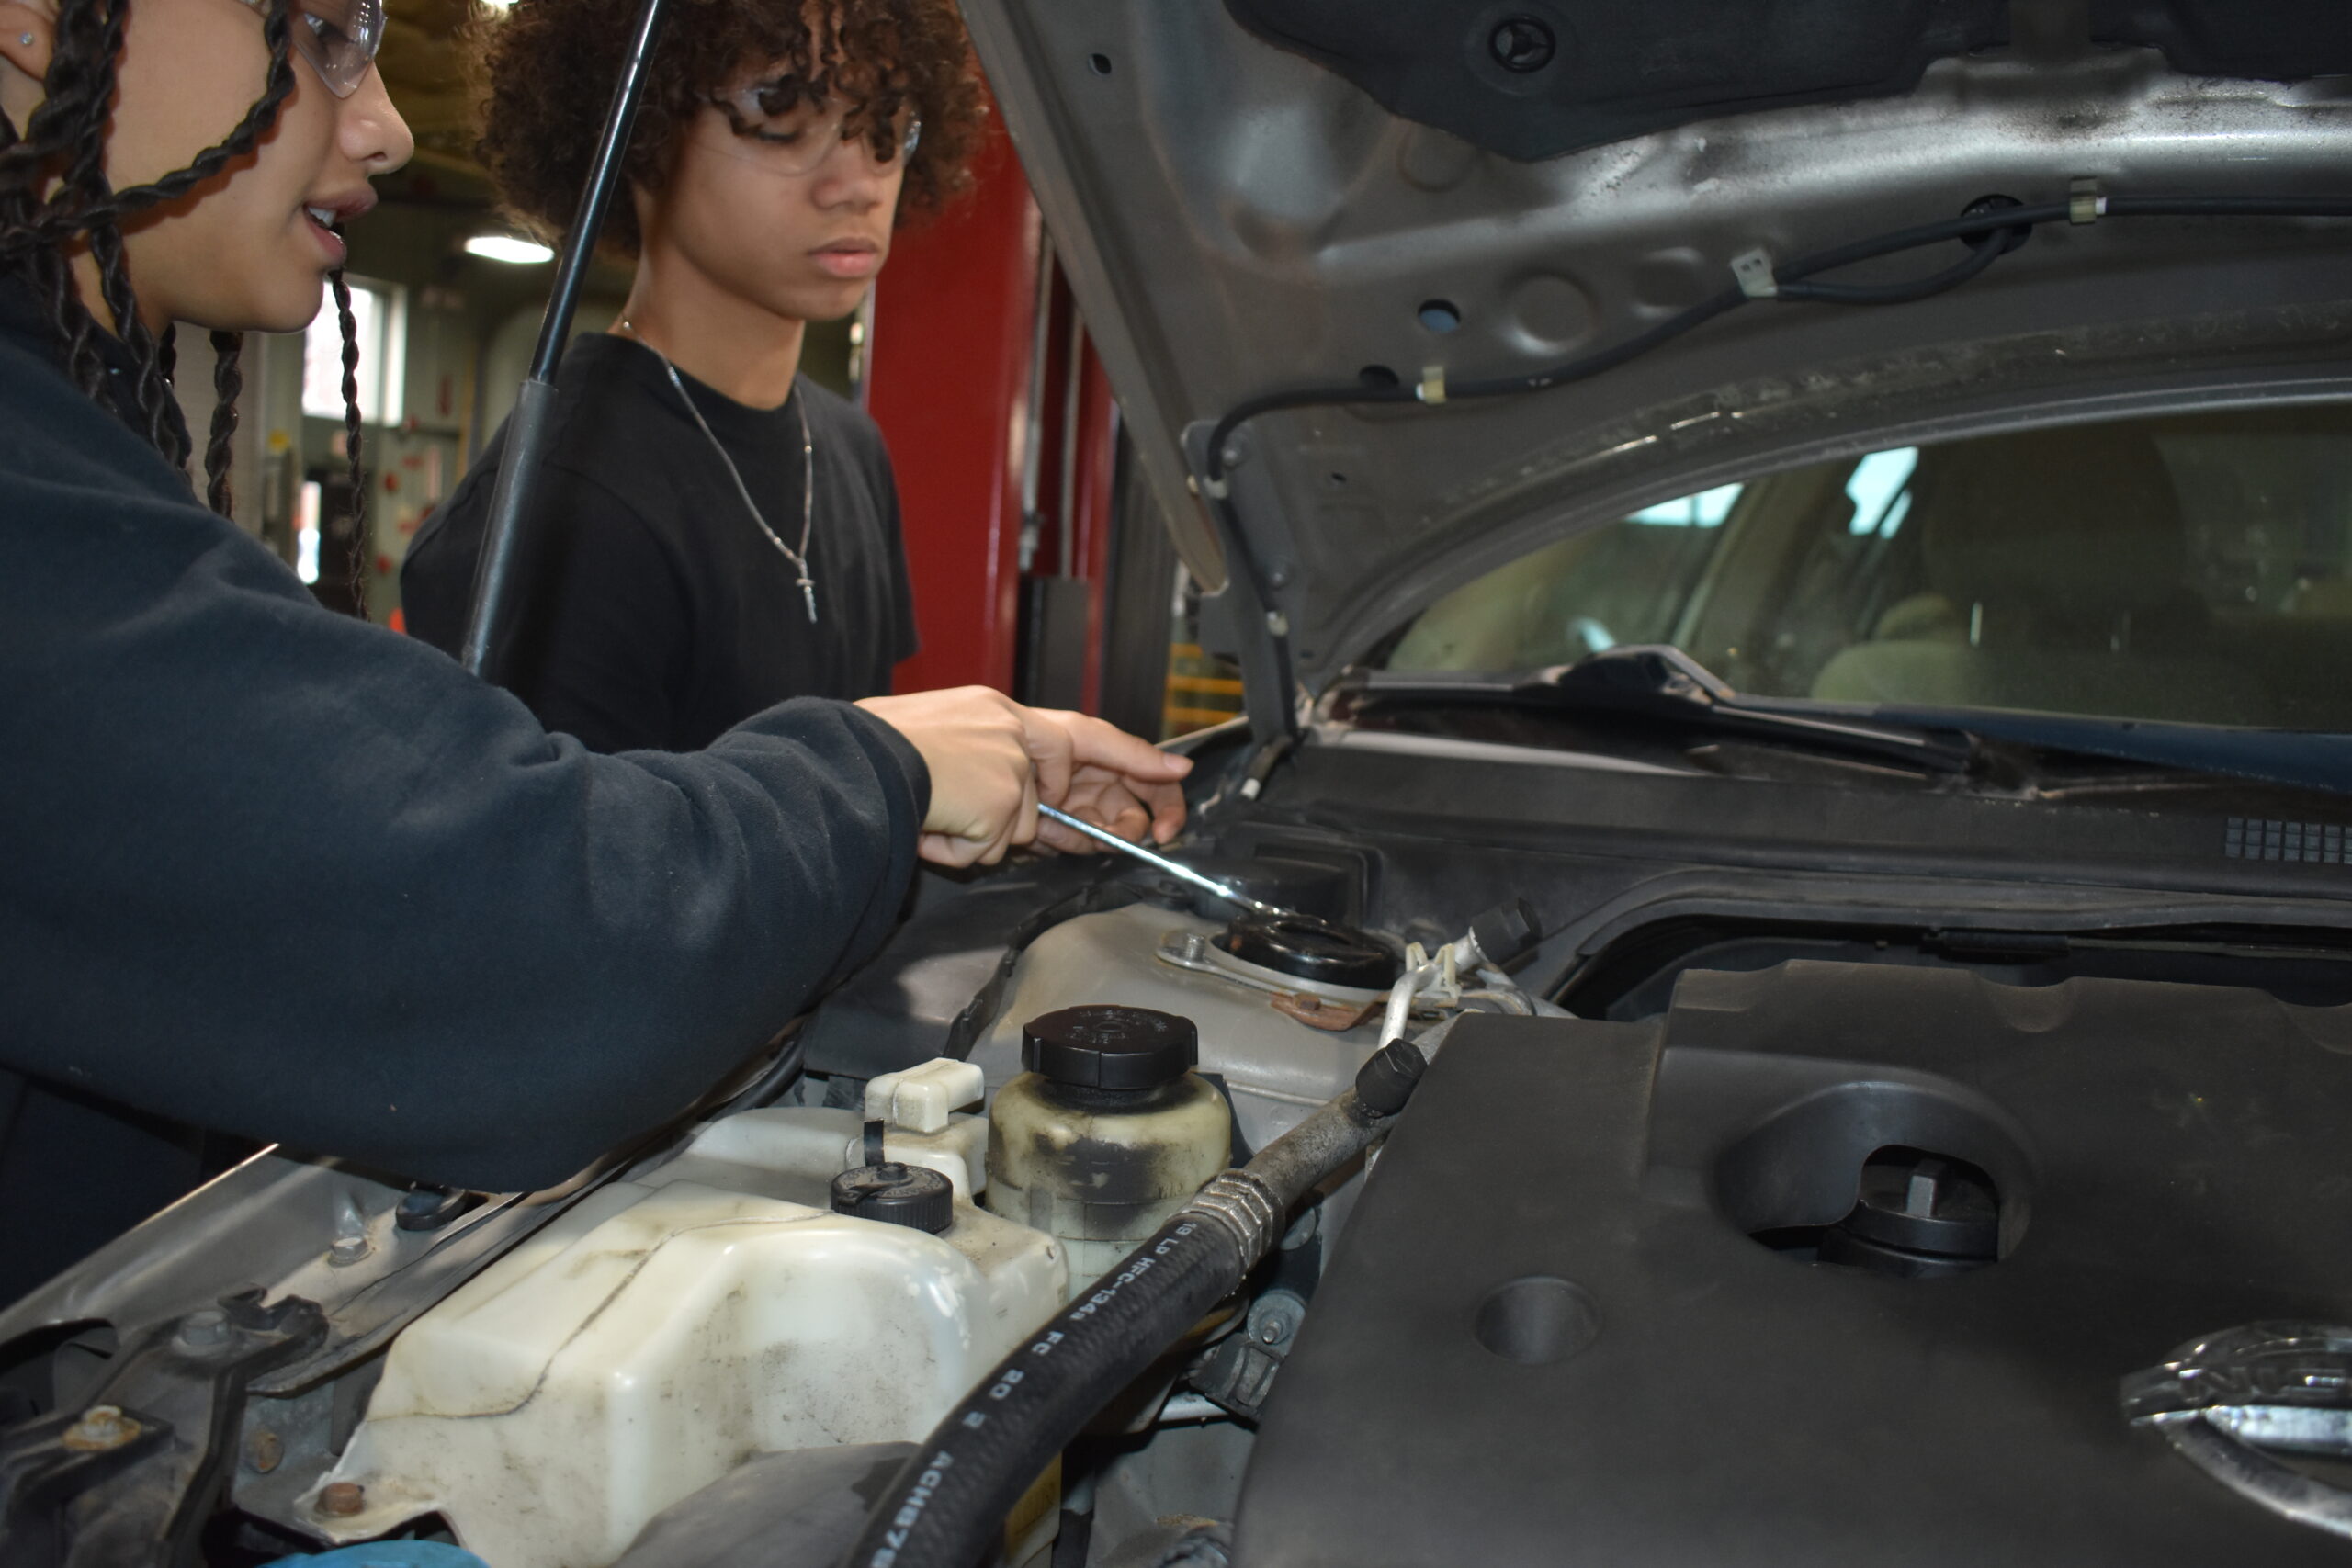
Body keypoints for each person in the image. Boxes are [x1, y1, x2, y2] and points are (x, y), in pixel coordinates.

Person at [0, 0, 1188, 1302]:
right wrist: (881, 767)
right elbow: (512, 950)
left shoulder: (847, 451)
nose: (389, 123)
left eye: (888, 132)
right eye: (328, 29)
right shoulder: (568, 495)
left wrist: (974, 784)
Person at [401, 0, 972, 760]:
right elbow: (577, 868)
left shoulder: (851, 449)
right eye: (780, 112)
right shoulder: (563, 510)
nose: (858, 182)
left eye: (884, 122)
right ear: (641, 135)